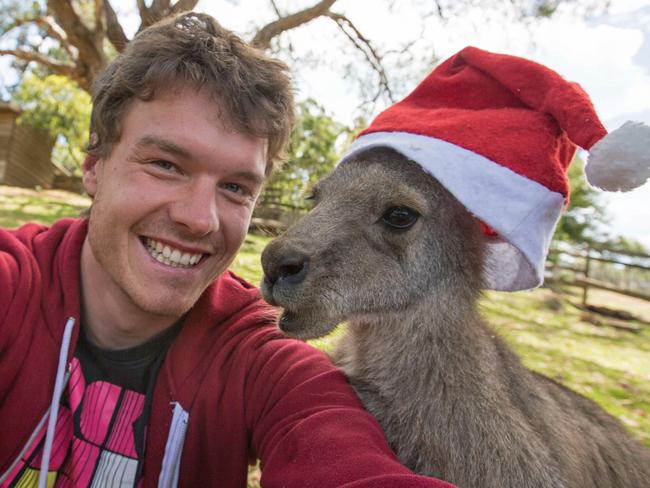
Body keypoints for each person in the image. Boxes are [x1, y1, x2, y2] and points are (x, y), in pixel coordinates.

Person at [0, 11, 455, 488]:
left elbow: (341, 456)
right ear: (94, 167)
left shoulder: (261, 360)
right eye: (165, 164)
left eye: (235, 188)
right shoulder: (16, 286)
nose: (200, 219)